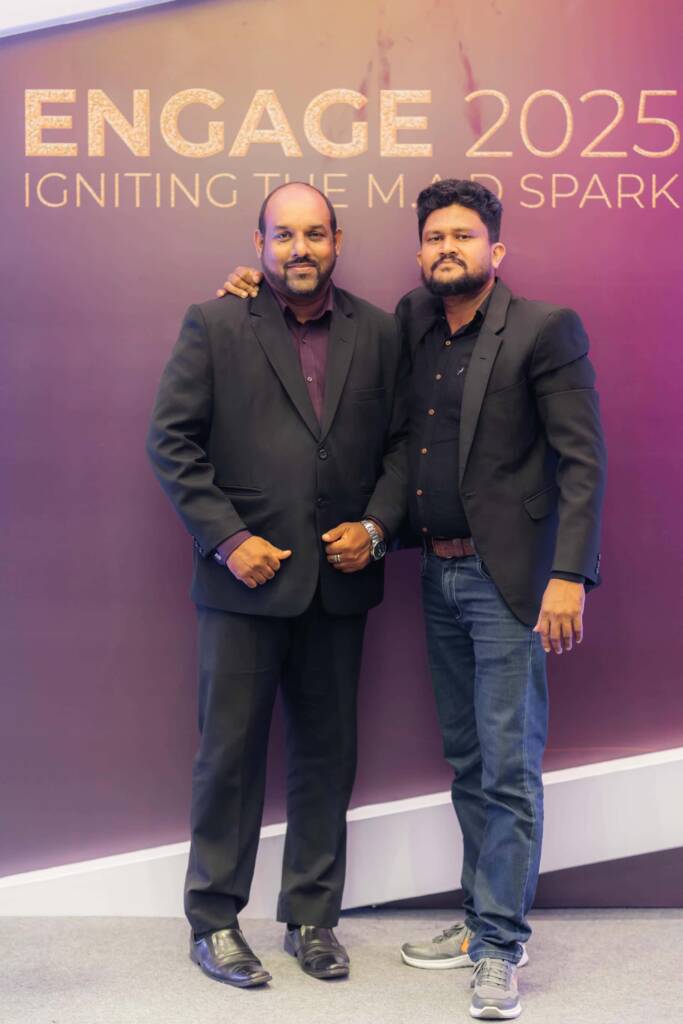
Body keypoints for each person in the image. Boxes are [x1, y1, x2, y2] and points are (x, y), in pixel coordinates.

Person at [218, 178, 606, 1019]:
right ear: (418, 249)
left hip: (510, 585)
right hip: (437, 575)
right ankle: (478, 919)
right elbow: (398, 439)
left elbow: (583, 460)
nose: (446, 249)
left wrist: (569, 575)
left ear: (495, 249)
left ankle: (499, 948)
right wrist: (249, 290)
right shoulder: (414, 322)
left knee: (508, 769)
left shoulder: (544, 329)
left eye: (463, 236)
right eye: (434, 238)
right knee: (469, 762)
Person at [147, 182, 409, 989]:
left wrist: (375, 528)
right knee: (228, 759)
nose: (300, 248)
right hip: (243, 585)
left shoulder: (380, 331)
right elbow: (171, 442)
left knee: (327, 758)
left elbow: (404, 446)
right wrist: (229, 541)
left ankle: (311, 919)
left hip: (339, 582)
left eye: (314, 234)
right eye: (283, 235)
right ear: (258, 242)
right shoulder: (215, 322)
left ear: (337, 240)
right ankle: (214, 923)